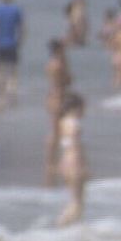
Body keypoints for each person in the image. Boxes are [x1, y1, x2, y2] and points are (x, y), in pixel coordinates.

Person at [44, 39, 73, 186]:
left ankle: (52, 161)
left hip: (53, 97)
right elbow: (68, 81)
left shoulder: (51, 63)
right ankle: (51, 162)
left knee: (56, 132)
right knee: (56, 132)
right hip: (58, 99)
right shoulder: (59, 65)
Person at [56, 93, 88, 227]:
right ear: (74, 108)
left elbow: (65, 144)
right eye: (82, 108)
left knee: (74, 200)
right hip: (74, 161)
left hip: (66, 161)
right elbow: (75, 145)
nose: (84, 111)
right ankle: (62, 225)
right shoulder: (74, 124)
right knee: (78, 203)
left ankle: (69, 226)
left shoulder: (62, 122)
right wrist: (84, 166)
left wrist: (62, 163)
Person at [0, 0, 24, 108]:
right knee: (12, 72)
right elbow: (21, 29)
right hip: (12, 44)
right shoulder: (16, 10)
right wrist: (19, 42)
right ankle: (11, 97)